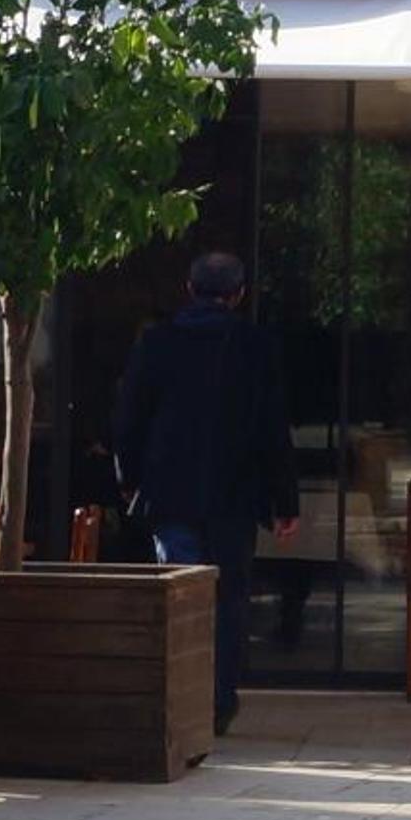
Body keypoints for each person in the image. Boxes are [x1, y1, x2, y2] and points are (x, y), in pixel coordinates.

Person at [112, 250, 299, 734]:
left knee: (179, 597)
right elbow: (272, 427)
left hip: (170, 492)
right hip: (234, 495)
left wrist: (130, 479)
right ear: (239, 295)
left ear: (190, 289)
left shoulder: (157, 343)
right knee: (228, 600)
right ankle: (217, 700)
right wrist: (285, 500)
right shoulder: (255, 346)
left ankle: (181, 697)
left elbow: (129, 418)